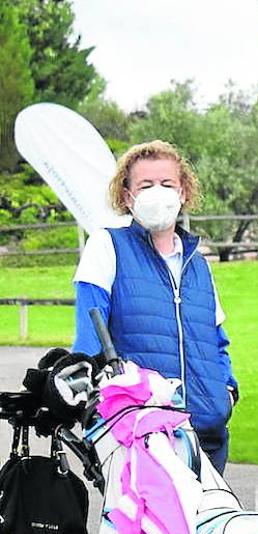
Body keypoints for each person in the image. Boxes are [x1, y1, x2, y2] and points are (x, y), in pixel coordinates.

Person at [72, 140, 237, 474]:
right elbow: (90, 340)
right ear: (127, 195)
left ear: (183, 193)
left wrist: (228, 392)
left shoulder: (197, 263)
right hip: (142, 435)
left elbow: (216, 339)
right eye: (145, 185)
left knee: (208, 526)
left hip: (207, 434)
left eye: (167, 184)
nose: (157, 193)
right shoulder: (107, 246)